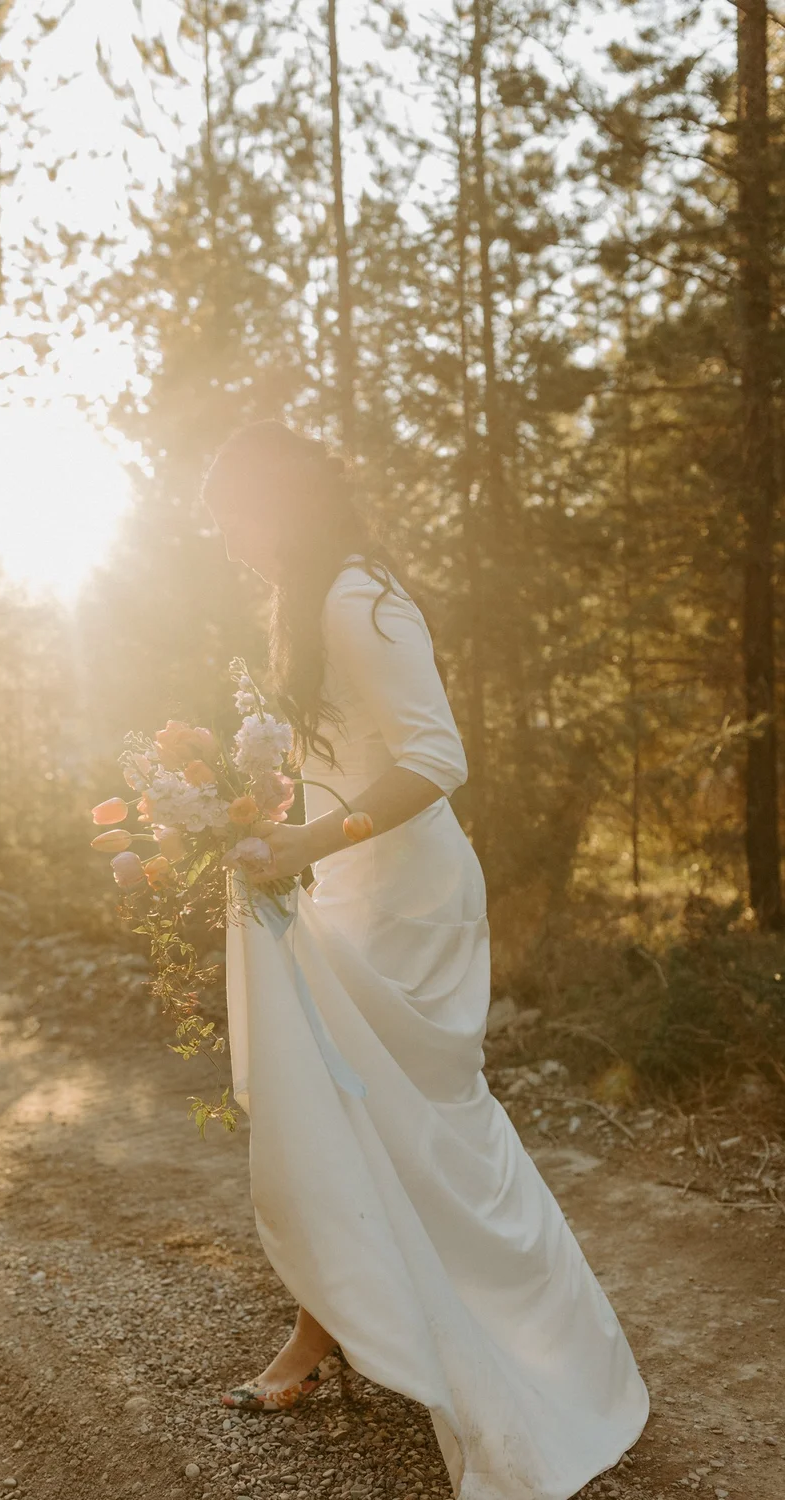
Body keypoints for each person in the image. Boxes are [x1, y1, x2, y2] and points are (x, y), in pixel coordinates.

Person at [201, 418, 649, 1500]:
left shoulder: (355, 596)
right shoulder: (307, 598)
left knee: (435, 1134)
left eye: (231, 513)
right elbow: (340, 756)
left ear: (279, 506)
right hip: (344, 889)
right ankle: (326, 1333)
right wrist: (261, 820)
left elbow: (436, 758)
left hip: (409, 903)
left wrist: (310, 841)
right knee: (346, 1111)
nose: (223, 536)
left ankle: (560, 1361)